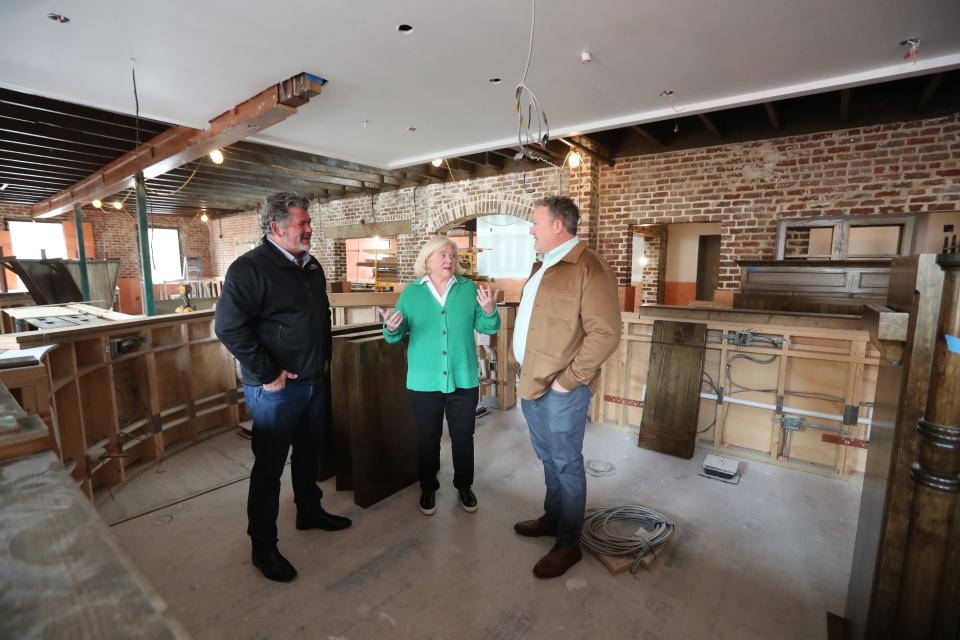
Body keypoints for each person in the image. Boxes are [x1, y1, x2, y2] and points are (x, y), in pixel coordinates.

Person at [215, 192, 351, 583]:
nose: (309, 229)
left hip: (312, 380)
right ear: (276, 227)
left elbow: (315, 318)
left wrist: (322, 360)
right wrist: (268, 371)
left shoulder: (311, 267)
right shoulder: (250, 269)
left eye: (308, 222)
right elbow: (228, 327)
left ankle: (309, 511)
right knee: (269, 470)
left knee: (309, 454)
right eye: (302, 223)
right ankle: (263, 546)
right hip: (275, 388)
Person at [511, 195, 621, 579]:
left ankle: (569, 543)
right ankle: (553, 517)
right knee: (548, 459)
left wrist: (567, 382)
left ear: (558, 225)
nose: (532, 230)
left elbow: (605, 333)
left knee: (567, 464)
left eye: (536, 223)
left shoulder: (588, 267)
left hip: (560, 390)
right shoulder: (544, 265)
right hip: (532, 383)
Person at [381, 236, 500, 515]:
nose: (449, 260)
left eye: (452, 256)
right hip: (424, 381)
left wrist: (489, 311)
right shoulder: (412, 293)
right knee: (427, 437)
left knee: (462, 436)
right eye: (443, 255)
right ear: (428, 260)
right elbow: (394, 335)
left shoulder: (468, 289)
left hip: (463, 378)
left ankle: (464, 485)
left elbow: (488, 327)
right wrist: (391, 327)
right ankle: (428, 486)